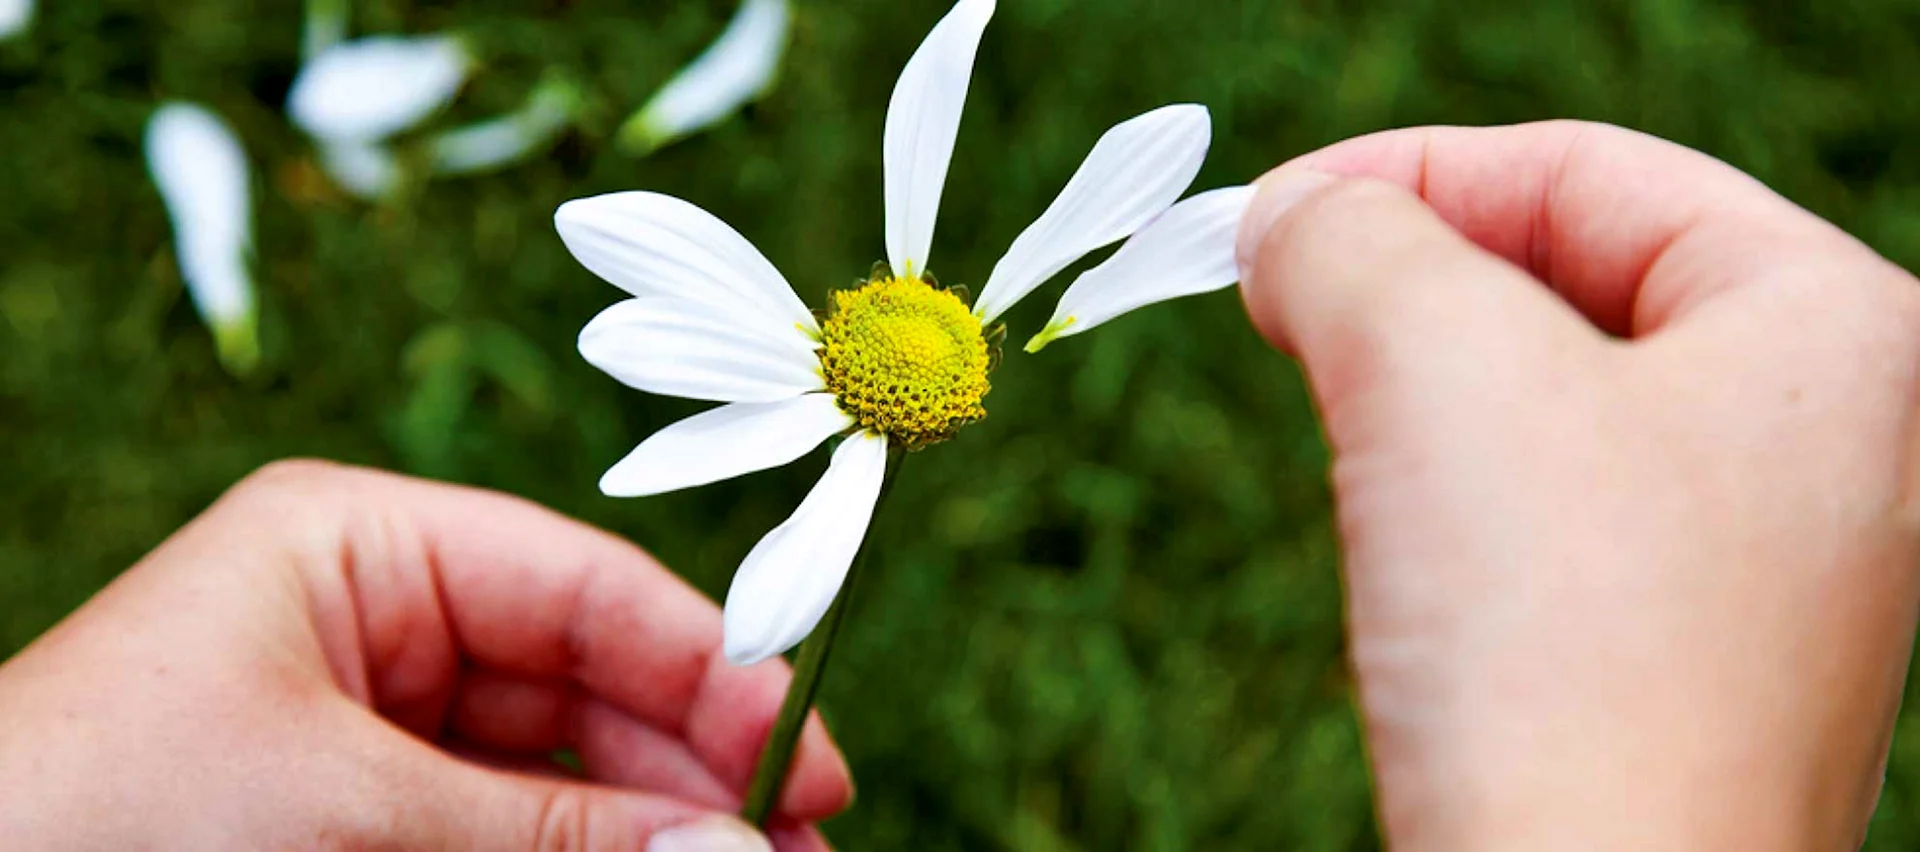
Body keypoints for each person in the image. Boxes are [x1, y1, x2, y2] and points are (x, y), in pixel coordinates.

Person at [0, 120, 1914, 850]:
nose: (922, 354)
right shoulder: (859, 380)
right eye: (909, 343)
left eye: (937, 349)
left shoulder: (915, 356)